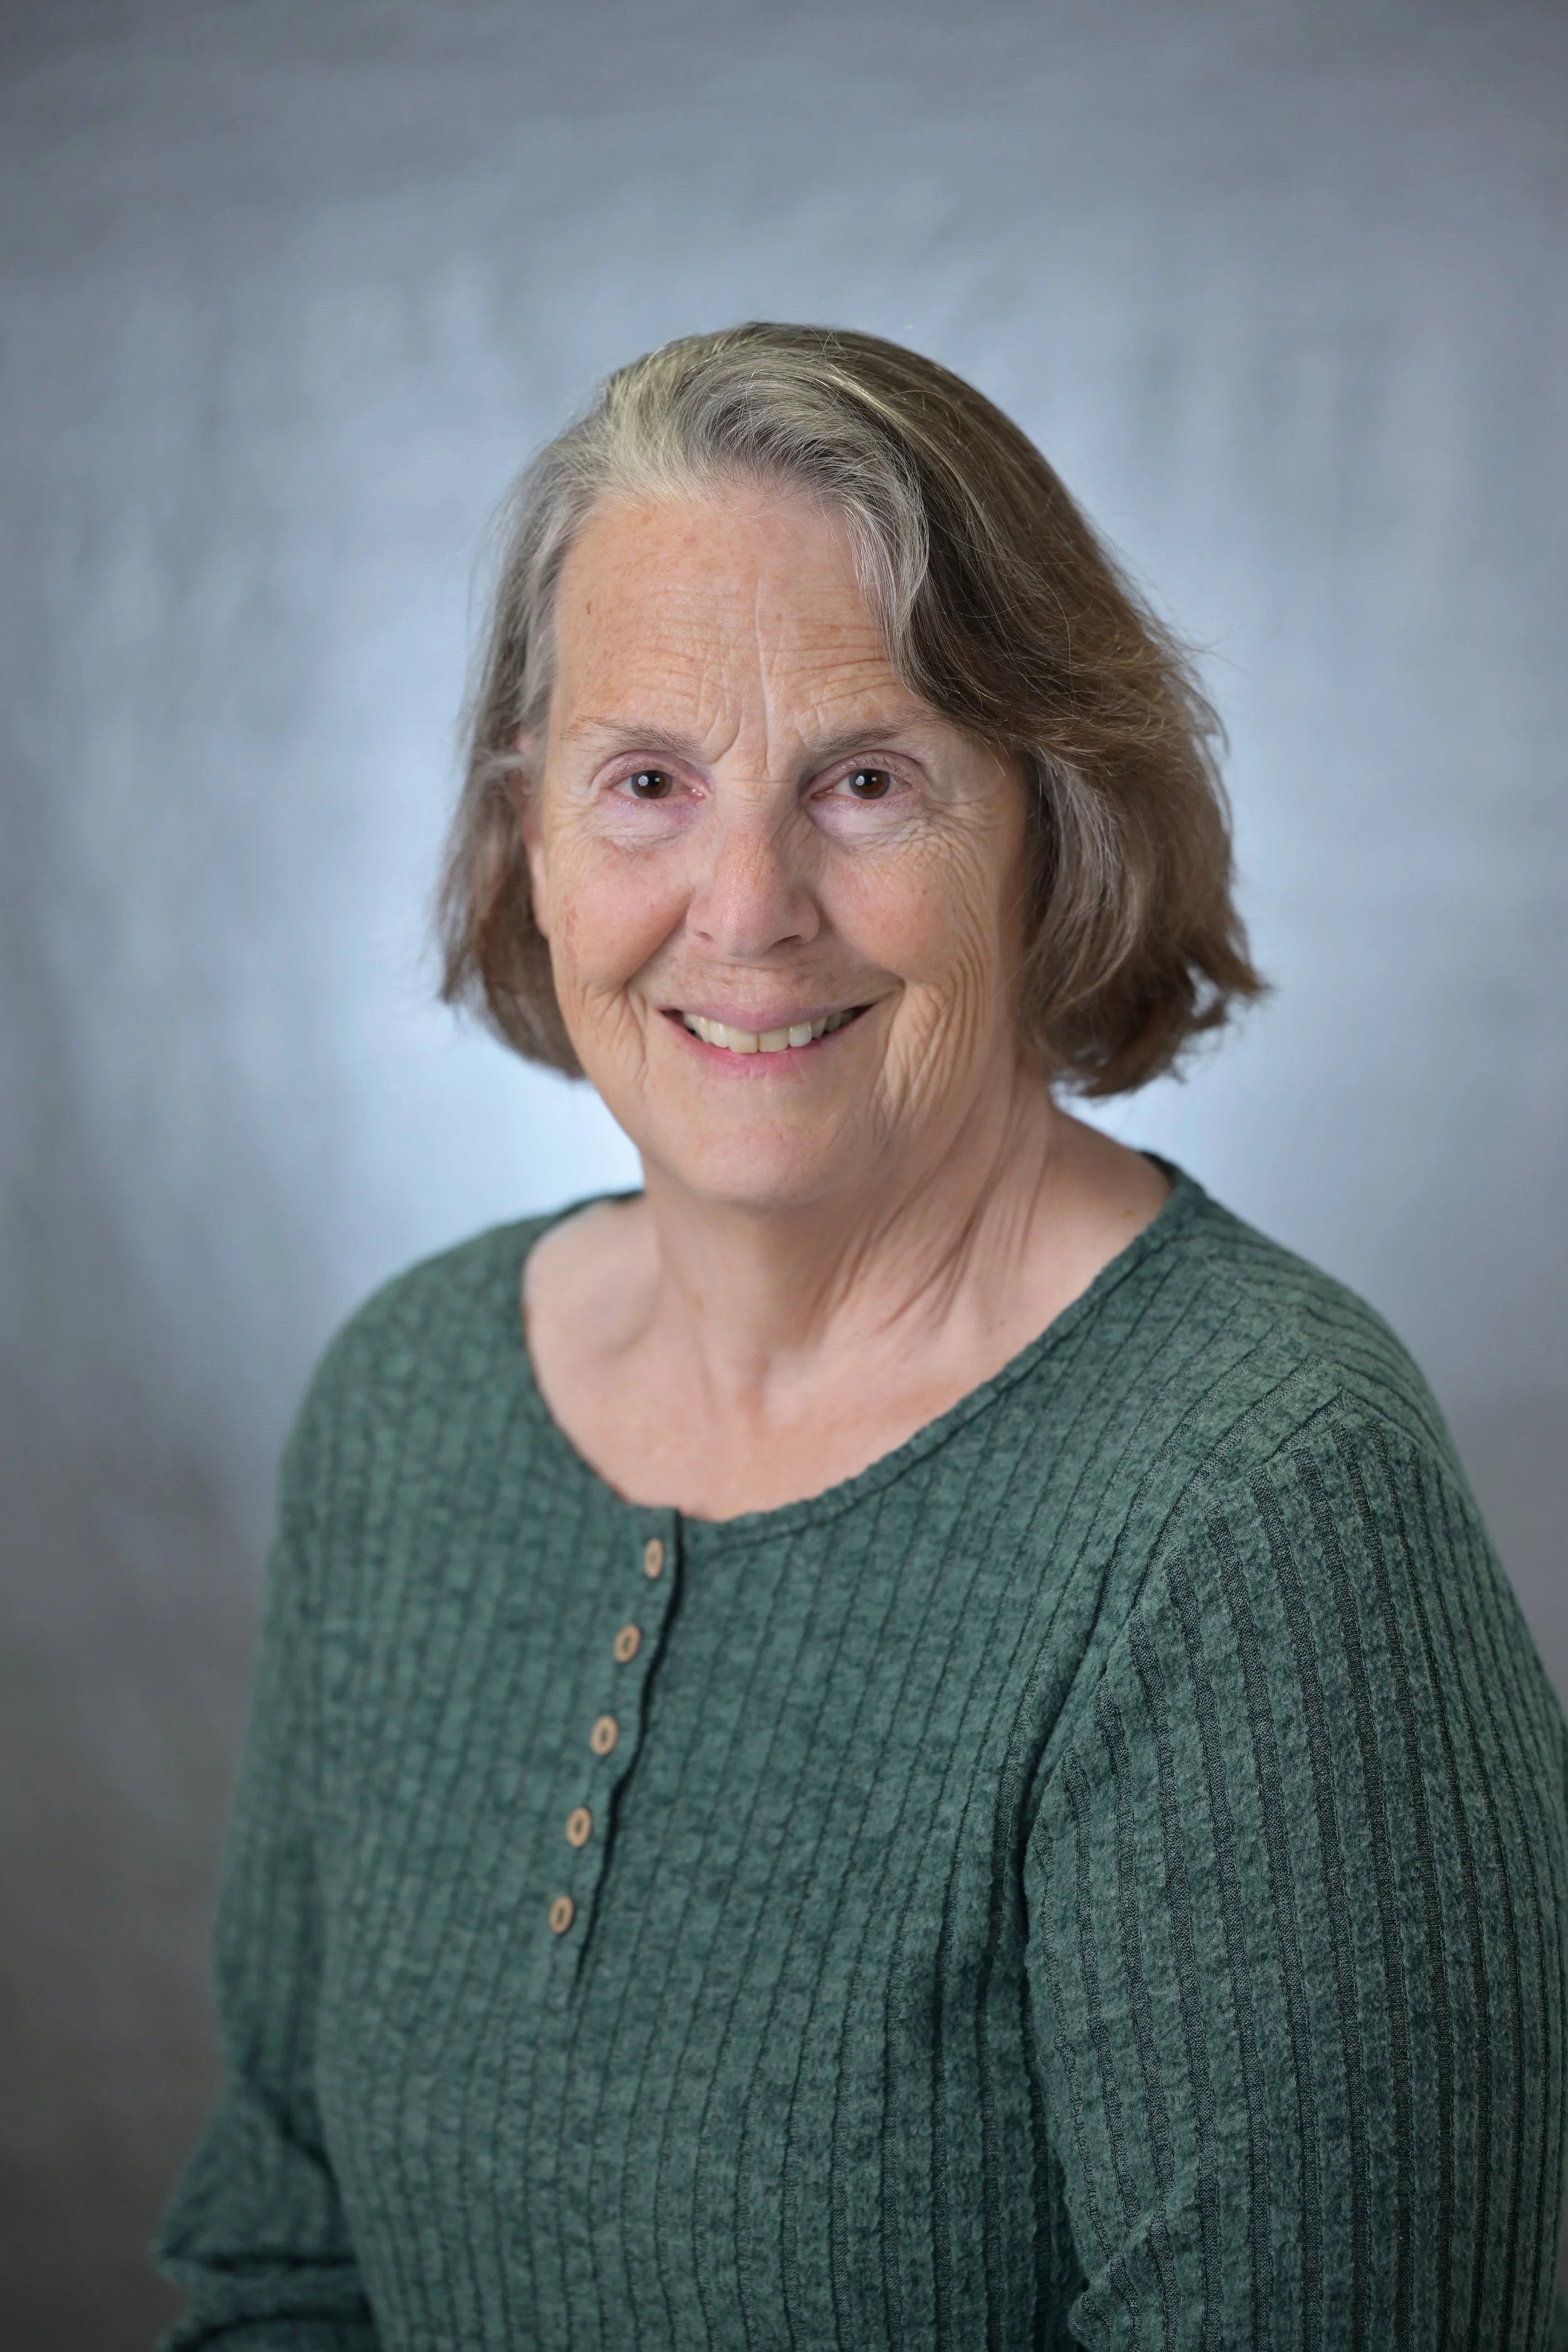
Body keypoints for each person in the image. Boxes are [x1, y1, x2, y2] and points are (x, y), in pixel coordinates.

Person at [156, 325, 1567, 2348]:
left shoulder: (1262, 1508)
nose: (746, 906)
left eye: (866, 780)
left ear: (1048, 829)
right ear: (525, 841)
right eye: (646, 781)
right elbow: (278, 2263)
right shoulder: (410, 1400)